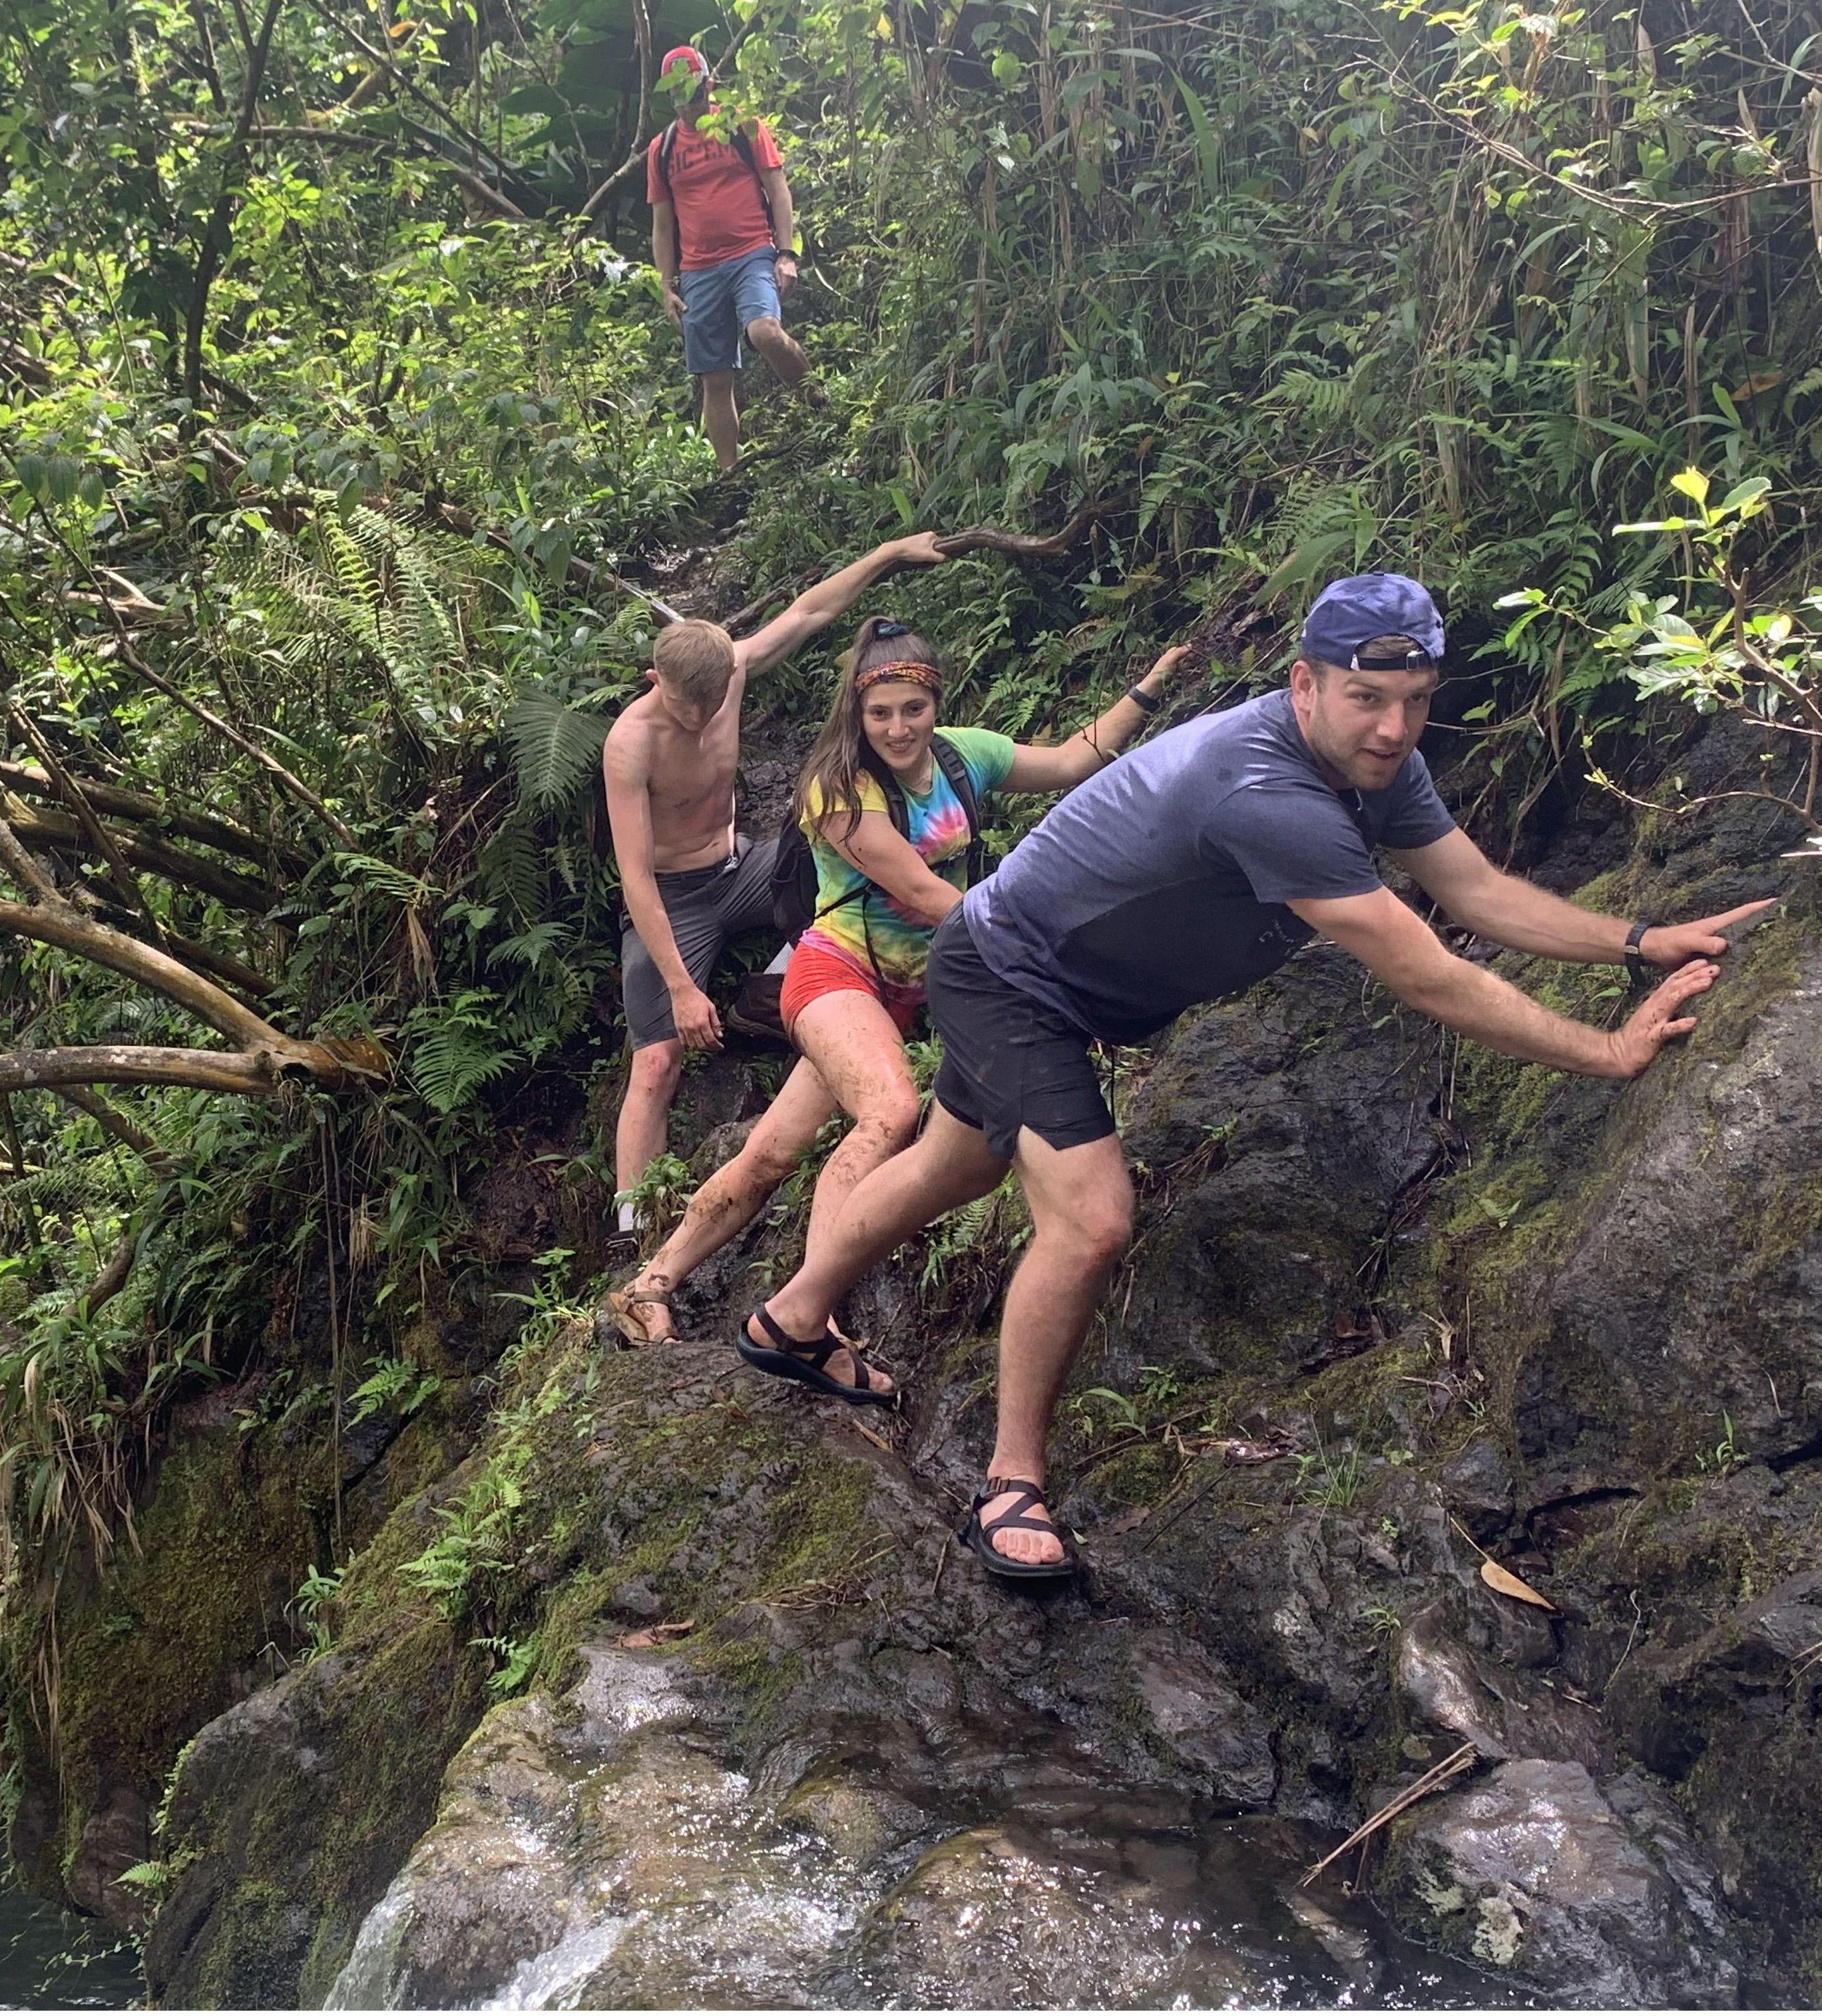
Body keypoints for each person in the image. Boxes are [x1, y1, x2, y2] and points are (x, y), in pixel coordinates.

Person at [742, 573, 1773, 1579]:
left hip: (1063, 981)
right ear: (1304, 685)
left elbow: (1474, 891)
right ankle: (1011, 1483)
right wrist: (1606, 1051)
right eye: (1367, 699)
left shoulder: (1373, 764)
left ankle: (790, 1319)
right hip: (1011, 975)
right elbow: (1431, 974)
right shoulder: (1266, 790)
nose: (1392, 727)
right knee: (1093, 1219)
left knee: (952, 1169)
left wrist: (1639, 941)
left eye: (1415, 704)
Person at [604, 619, 1193, 1401]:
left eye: (910, 710)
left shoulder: (961, 755)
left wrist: (1148, 689)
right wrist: (1041, 951)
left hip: (902, 994)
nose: (896, 728)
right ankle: (811, 1324)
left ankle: (650, 1283)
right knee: (888, 1112)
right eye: (879, 713)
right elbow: (922, 892)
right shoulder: (838, 789)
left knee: (772, 1152)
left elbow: (1070, 759)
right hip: (833, 975)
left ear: (932, 702)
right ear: (858, 713)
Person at [604, 532, 945, 1258]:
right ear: (652, 679)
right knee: (657, 1061)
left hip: (744, 867)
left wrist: (885, 553)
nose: (695, 718)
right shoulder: (631, 742)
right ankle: (632, 1233)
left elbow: (811, 610)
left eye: (707, 703)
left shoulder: (731, 672)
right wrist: (680, 988)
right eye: (680, 705)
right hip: (674, 896)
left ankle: (776, 993)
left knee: (831, 868)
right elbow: (635, 876)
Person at [648, 45, 822, 475]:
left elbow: (777, 188)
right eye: (679, 96)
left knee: (765, 331)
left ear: (709, 85)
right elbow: (663, 224)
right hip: (699, 270)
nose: (688, 105)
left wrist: (786, 254)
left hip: (751, 252)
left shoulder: (742, 124)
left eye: (695, 92)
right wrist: (665, 285)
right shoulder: (663, 148)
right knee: (715, 376)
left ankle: (818, 402)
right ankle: (729, 473)